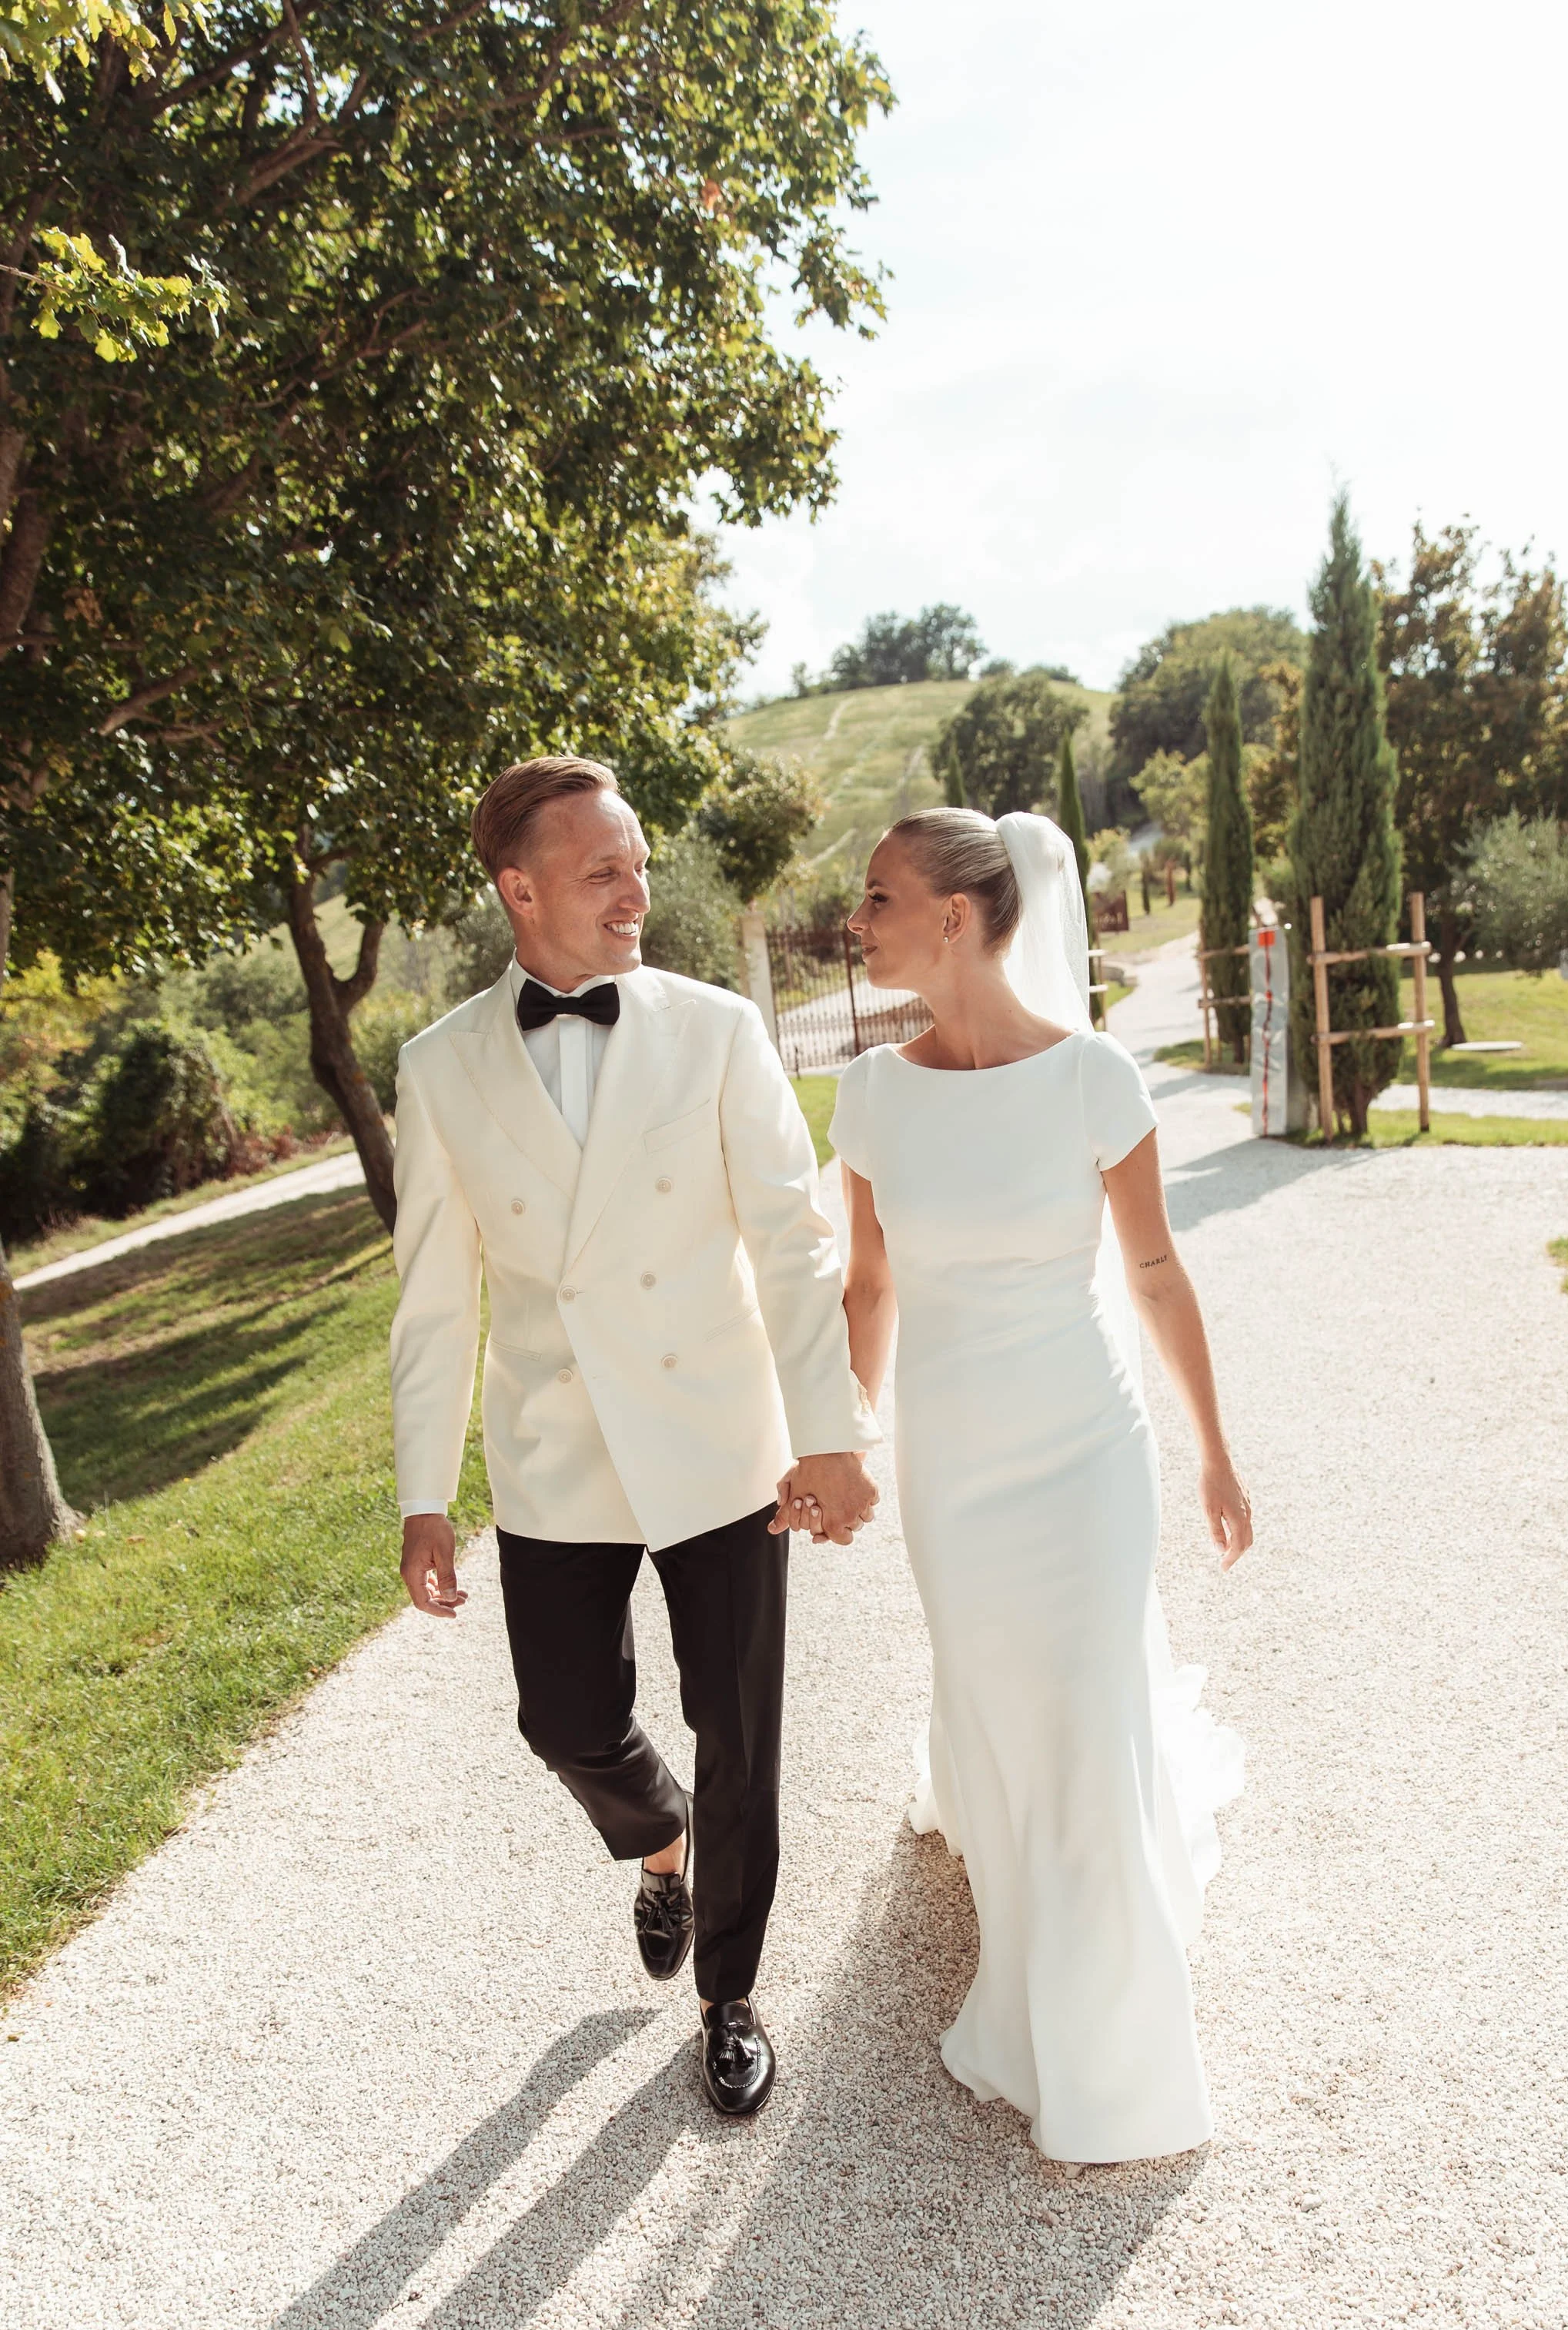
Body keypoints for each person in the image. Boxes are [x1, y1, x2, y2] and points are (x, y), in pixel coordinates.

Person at [389, 755, 878, 2119]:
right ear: (519, 887)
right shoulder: (438, 1070)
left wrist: (829, 1432)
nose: (636, 889)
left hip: (721, 1437)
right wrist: (424, 1492)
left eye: (640, 860)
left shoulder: (715, 1028)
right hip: (556, 1450)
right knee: (564, 1720)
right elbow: (434, 1301)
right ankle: (658, 1841)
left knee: (740, 1732)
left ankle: (727, 1993)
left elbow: (791, 1241)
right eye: (603, 868)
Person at [805, 808, 1250, 2164]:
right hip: (956, 1461)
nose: (856, 922)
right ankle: (1025, 1912)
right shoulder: (872, 1096)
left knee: (1084, 1697)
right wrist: (843, 1434)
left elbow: (1157, 1273)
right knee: (999, 1699)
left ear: (954, 915)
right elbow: (868, 1284)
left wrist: (1216, 1450)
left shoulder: (1094, 1079)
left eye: (876, 898)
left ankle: (1110, 2041)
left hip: (1085, 1451)